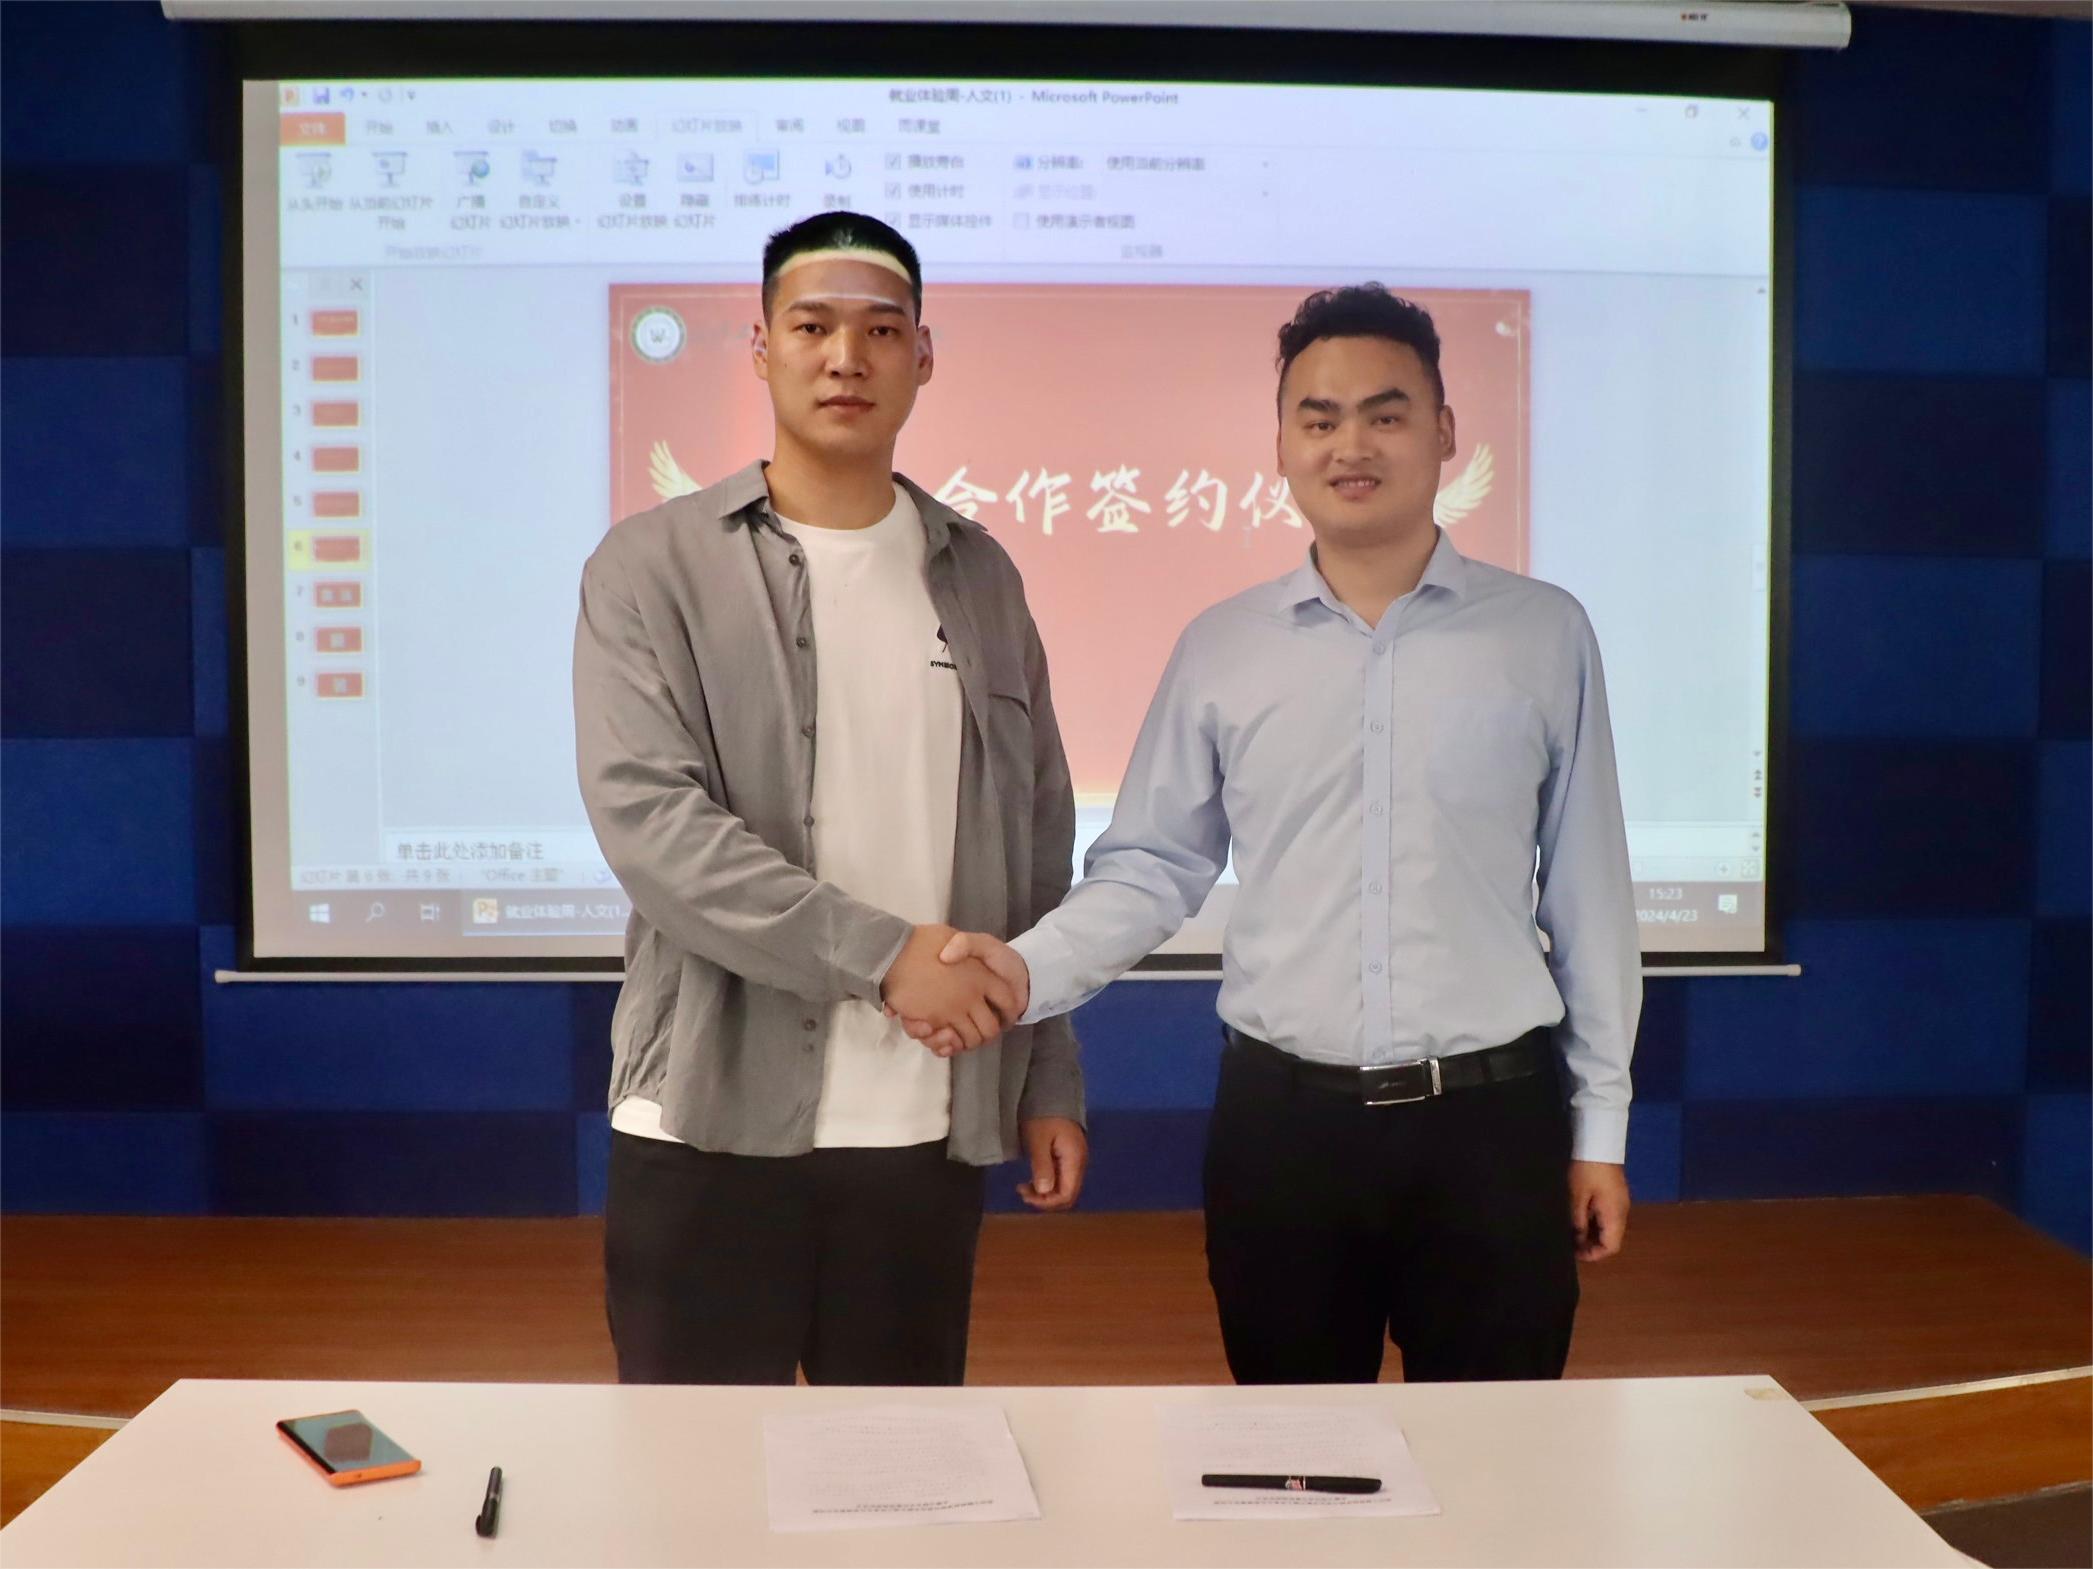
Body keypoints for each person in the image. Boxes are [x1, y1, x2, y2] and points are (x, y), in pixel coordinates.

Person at [911, 284, 1639, 1384]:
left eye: (1385, 413)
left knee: (1495, 1459)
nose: (1351, 444)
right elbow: (1151, 867)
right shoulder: (1223, 647)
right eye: (1319, 417)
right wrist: (1022, 971)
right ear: (1282, 445)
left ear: (1444, 432)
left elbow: (1588, 897)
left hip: (1491, 1129)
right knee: (1294, 1457)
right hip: (1283, 1135)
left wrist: (1599, 1135)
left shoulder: (1543, 634)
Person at [574, 211, 1088, 1388]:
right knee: (696, 1481)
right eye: (810, 327)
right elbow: (652, 828)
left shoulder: (980, 573)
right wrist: (883, 956)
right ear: (761, 349)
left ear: (922, 355)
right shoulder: (652, 567)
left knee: (899, 1476)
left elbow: (1036, 845)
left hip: (923, 1127)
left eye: (880, 330)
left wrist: (1047, 1071)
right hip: (707, 1121)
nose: (845, 357)